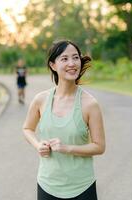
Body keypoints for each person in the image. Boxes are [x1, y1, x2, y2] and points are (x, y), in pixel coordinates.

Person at [23, 39, 106, 200]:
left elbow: (99, 146)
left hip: (82, 187)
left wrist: (67, 148)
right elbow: (27, 129)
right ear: (53, 65)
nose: (72, 63)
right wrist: (38, 144)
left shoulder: (90, 104)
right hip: (47, 185)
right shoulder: (41, 100)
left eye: (75, 58)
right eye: (65, 59)